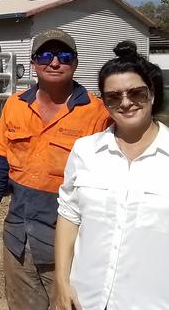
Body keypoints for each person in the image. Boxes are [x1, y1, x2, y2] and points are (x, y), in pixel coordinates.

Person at [0, 29, 111, 309]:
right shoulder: (15, 106)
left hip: (69, 251)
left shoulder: (97, 113)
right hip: (18, 242)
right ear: (34, 62)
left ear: (76, 62)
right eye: (46, 55)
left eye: (64, 55)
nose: (55, 62)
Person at [54, 41, 168, 310]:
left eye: (136, 93)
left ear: (152, 93)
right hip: (85, 299)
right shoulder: (85, 151)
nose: (126, 103)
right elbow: (69, 217)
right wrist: (61, 283)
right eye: (113, 97)